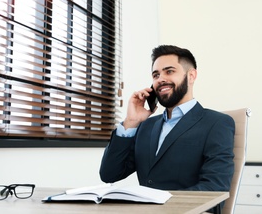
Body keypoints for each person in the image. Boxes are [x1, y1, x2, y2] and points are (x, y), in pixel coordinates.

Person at [100, 45, 235, 193]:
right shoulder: (146, 126)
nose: (161, 79)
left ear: (191, 76)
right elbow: (109, 174)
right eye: (156, 75)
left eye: (169, 71)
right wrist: (130, 122)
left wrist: (159, 202)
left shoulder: (216, 123)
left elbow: (214, 188)